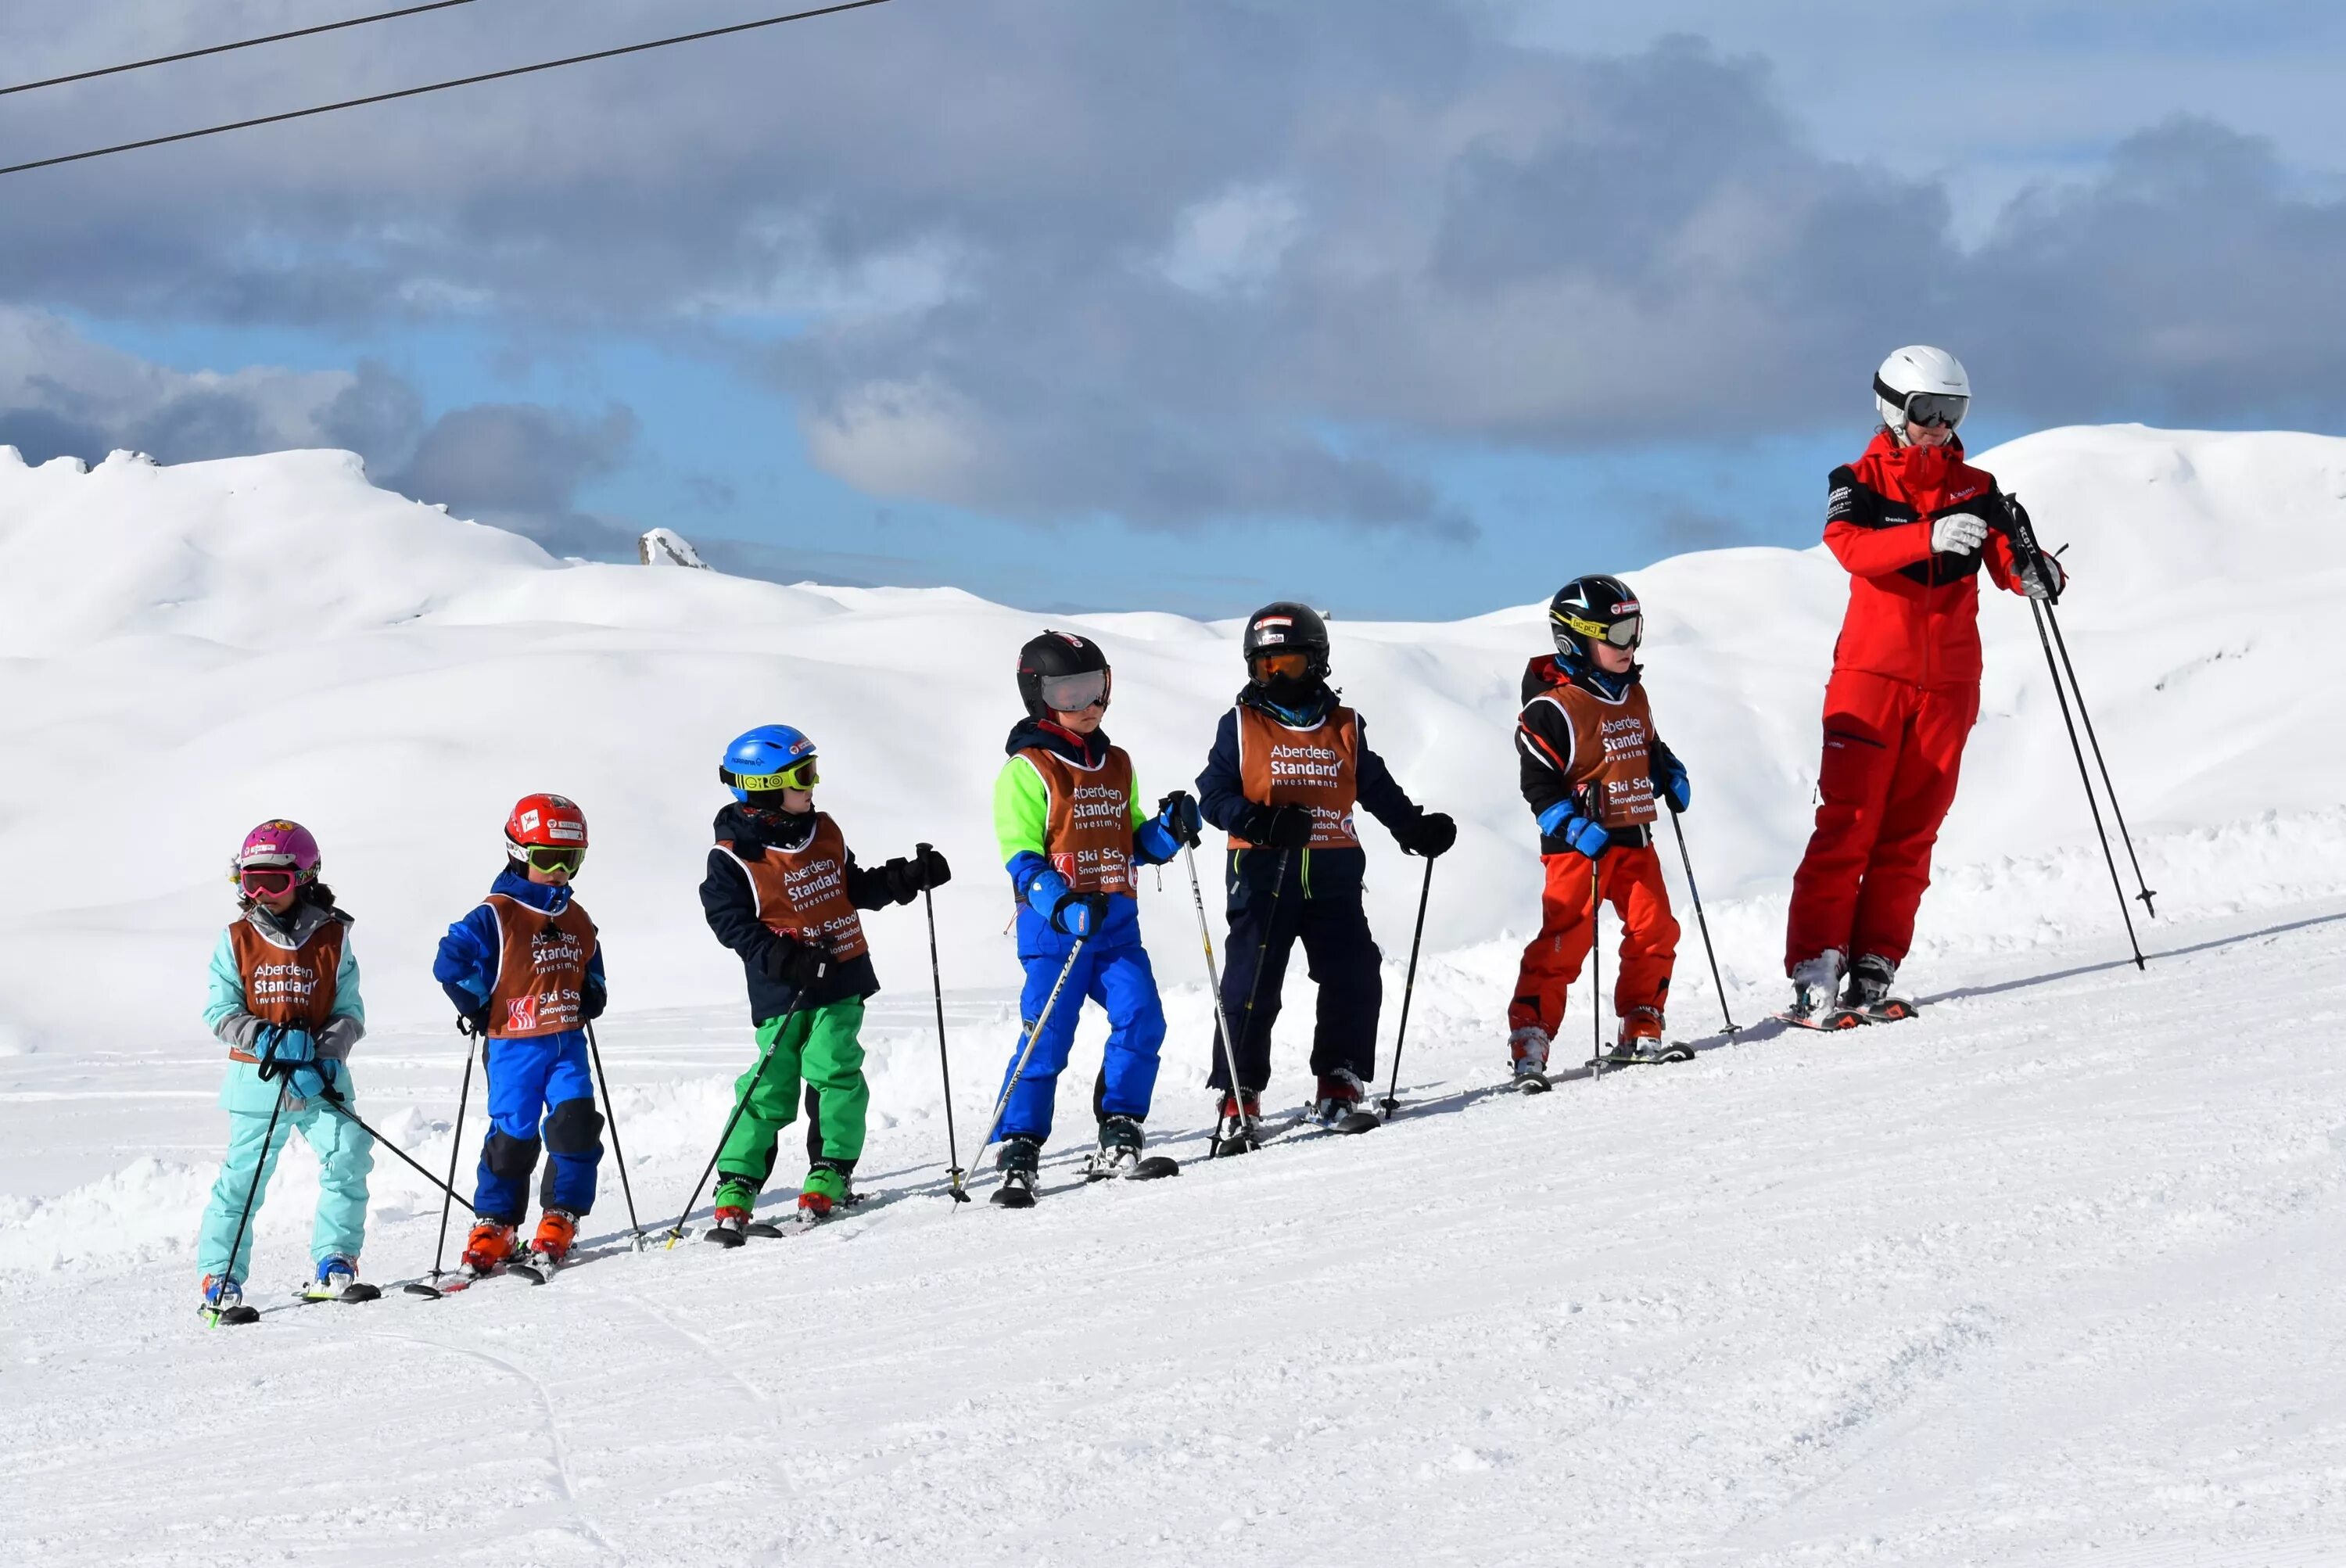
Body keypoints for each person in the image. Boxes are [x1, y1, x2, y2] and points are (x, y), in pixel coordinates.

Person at [1783, 347, 2065, 1022]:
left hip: (1948, 683)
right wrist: (1927, 534)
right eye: (1926, 411)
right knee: (1848, 823)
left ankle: (1876, 961)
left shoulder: (1979, 486)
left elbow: (2009, 561)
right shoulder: (1856, 480)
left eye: (1953, 411)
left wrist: (2037, 570)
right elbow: (1850, 547)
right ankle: (1817, 962)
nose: (1939, 425)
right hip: (1872, 676)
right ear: (1891, 408)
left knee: (1913, 829)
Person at [1195, 603, 1456, 1142]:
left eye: (1287, 664)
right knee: (1251, 984)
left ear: (1316, 663)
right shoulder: (1242, 725)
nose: (1276, 677)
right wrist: (1260, 821)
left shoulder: (1344, 727)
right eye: (1265, 666)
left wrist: (1414, 829)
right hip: (1263, 875)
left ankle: (1340, 1080)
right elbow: (1213, 795)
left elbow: (1377, 788)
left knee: (1354, 971)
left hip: (1333, 878)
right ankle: (1238, 1095)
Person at [699, 725, 948, 1242]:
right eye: (801, 775)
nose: (813, 784)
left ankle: (830, 1168)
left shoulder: (824, 830)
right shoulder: (732, 857)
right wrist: (786, 959)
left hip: (840, 975)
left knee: (834, 1068)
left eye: (813, 770)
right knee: (771, 1083)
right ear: (763, 786)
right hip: (782, 989)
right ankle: (737, 1182)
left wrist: (905, 877)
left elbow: (852, 885)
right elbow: (732, 924)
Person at [986, 631, 1200, 1205]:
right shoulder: (1028, 771)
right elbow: (1022, 856)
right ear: (1039, 695)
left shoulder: (1117, 762)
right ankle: (1020, 1141)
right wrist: (1062, 903)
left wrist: (1168, 831)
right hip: (1058, 933)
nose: (1089, 705)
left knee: (1142, 1018)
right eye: (1071, 692)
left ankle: (1121, 1126)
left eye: (1097, 689)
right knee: (1047, 1036)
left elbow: (1132, 840)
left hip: (1116, 928)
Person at [1509, 576, 1688, 1077]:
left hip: (1634, 836)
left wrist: (1668, 772)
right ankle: (1531, 1033)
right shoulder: (1551, 710)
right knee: (1565, 942)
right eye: (1616, 633)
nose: (1629, 644)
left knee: (1656, 930)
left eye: (1635, 630)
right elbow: (1537, 785)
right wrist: (1569, 825)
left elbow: (1647, 744)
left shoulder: (1634, 693)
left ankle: (1641, 1020)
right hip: (1578, 849)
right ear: (1576, 639)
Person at [196, 820, 373, 1319]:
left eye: (272, 882)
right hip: (259, 1081)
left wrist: (325, 1051)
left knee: (350, 1155)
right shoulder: (236, 939)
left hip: (321, 1081)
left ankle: (335, 1260)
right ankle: (220, 1274)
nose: (258, 894)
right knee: (244, 1179)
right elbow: (219, 1011)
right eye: (247, 881)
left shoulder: (333, 938)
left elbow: (351, 1012)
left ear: (304, 878)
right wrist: (268, 1039)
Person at [434, 794, 607, 1273]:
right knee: (513, 1134)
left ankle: (562, 1214)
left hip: (566, 1040)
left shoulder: (575, 915)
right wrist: (477, 1000)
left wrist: (594, 989)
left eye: (570, 861)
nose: (559, 872)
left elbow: (591, 958)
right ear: (518, 853)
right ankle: (495, 1222)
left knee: (574, 1125)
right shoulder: (496, 913)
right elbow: (450, 962)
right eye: (548, 858)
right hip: (513, 1044)